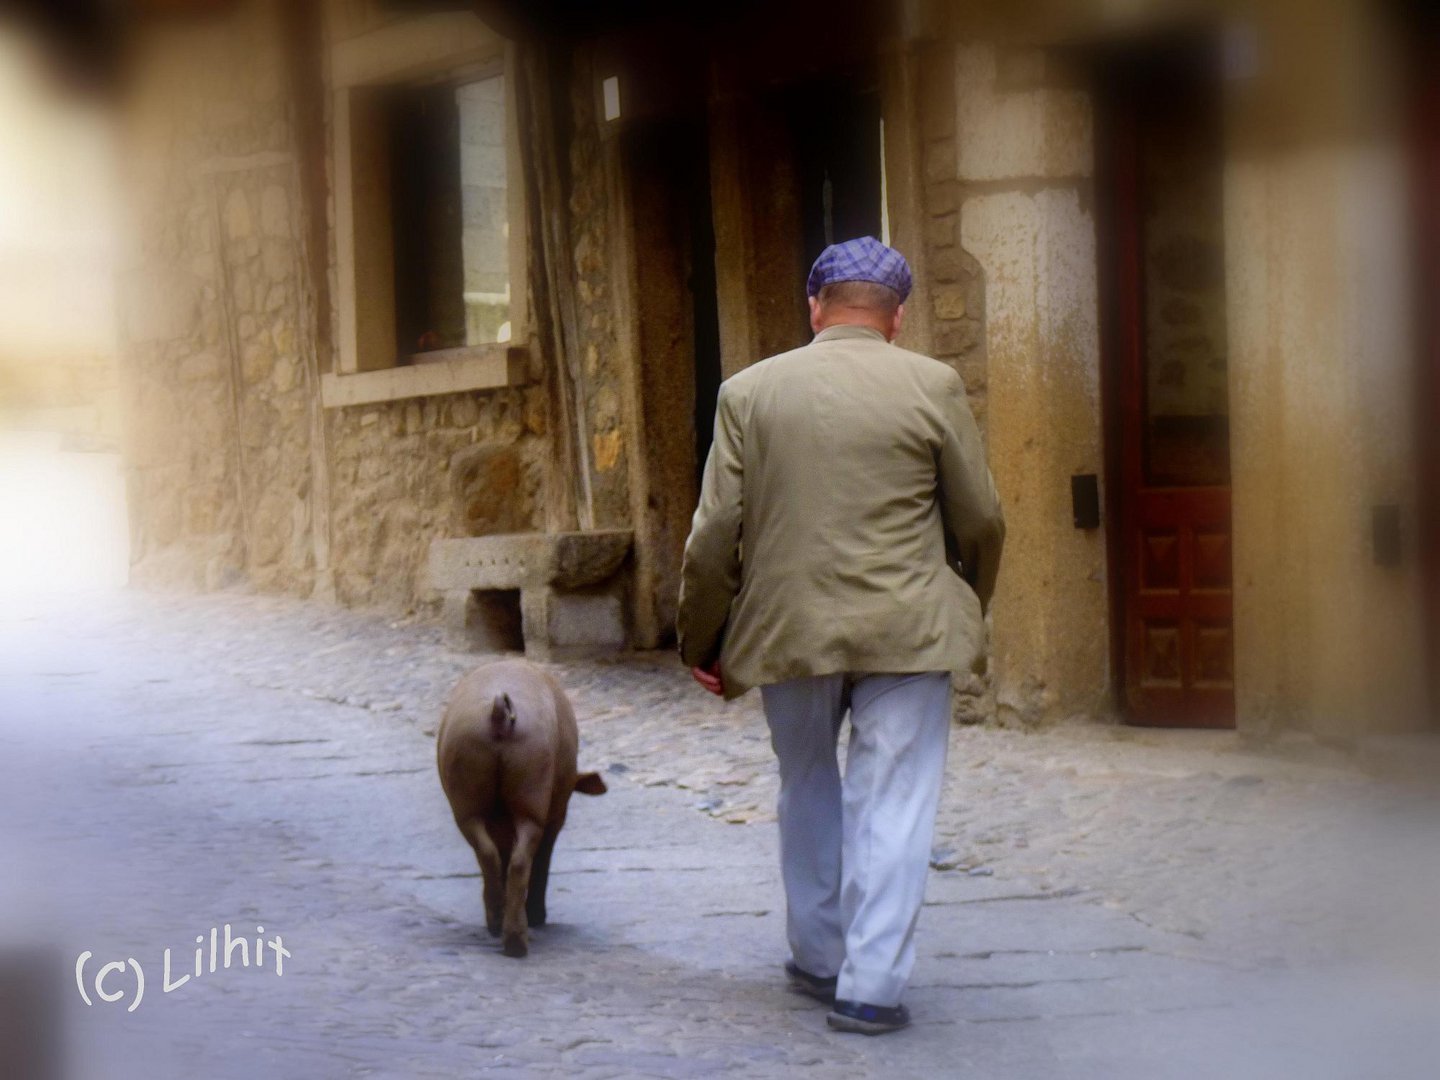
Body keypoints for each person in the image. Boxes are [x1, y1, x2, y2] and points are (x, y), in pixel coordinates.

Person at [676, 236, 1004, 1035]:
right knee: (894, 801)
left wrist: (702, 638)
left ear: (815, 307)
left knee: (807, 785)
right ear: (897, 317)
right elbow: (982, 517)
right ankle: (872, 986)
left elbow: (714, 532)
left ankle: (818, 955)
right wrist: (967, 597)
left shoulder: (748, 393)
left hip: (790, 624)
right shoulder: (933, 383)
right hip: (909, 623)